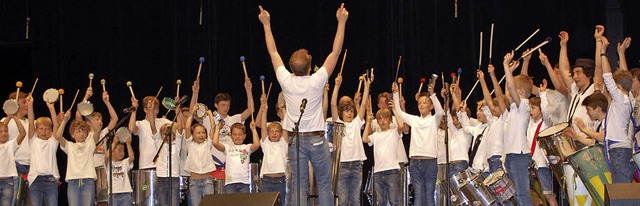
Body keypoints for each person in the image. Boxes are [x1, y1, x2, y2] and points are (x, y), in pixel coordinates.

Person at [258, 3, 348, 206]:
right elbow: (336, 52)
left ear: (291, 68)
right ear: (309, 67)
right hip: (316, 140)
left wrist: (266, 24)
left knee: (299, 186)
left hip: (296, 142)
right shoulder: (317, 81)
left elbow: (273, 52)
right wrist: (341, 22)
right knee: (325, 186)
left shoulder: (286, 81)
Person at [392, 77, 444, 205]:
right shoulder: (414, 119)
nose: (421, 105)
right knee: (418, 196)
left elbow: (440, 112)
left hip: (430, 162)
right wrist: (395, 93)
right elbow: (398, 111)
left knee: (429, 195)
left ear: (431, 106)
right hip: (415, 162)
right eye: (420, 103)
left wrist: (433, 94)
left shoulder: (434, 120)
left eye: (425, 102)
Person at [599, 36, 636, 183]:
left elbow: (607, 77)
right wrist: (621, 53)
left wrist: (603, 53)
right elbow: (626, 77)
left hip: (618, 151)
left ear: (618, 88)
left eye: (615, 87)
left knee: (621, 191)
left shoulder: (621, 100)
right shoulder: (629, 98)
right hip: (621, 149)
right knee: (622, 189)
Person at [330, 74, 370, 206]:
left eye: (351, 111)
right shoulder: (338, 124)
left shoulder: (357, 123)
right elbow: (333, 104)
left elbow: (363, 104)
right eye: (346, 111)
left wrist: (367, 86)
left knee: (355, 200)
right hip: (342, 166)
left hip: (357, 165)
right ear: (342, 113)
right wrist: (336, 86)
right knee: (342, 200)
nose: (349, 113)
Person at [503, 51, 534, 205]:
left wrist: (505, 66)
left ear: (520, 91)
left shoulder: (524, 105)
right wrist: (510, 71)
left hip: (519, 155)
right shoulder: (514, 108)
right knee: (516, 196)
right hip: (511, 155)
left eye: (513, 89)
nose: (510, 92)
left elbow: (511, 89)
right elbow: (506, 92)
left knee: (522, 195)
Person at [363, 103, 405, 205]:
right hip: (378, 172)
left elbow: (401, 126)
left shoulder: (394, 133)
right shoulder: (376, 135)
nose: (382, 121)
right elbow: (364, 139)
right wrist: (368, 122)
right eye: (380, 119)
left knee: (394, 201)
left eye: (385, 118)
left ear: (390, 121)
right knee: (380, 202)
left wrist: (394, 110)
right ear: (377, 122)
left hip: (392, 171)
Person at [55, 111, 100, 206]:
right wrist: (65, 121)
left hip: (88, 180)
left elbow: (97, 130)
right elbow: (58, 136)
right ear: (72, 134)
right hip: (73, 181)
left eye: (84, 131)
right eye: (78, 131)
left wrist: (89, 117)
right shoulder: (69, 146)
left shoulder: (90, 144)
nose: (81, 134)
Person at [27, 94, 60, 205]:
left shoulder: (52, 142)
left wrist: (51, 108)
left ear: (50, 131)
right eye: (41, 129)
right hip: (35, 180)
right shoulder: (33, 141)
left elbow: (56, 125)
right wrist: (30, 105)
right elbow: (31, 123)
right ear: (36, 130)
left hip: (51, 180)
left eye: (47, 129)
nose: (44, 131)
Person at [213, 121, 260, 194]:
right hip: (230, 182)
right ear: (231, 136)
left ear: (244, 136)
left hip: (244, 182)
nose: (237, 136)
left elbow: (257, 145)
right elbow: (215, 143)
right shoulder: (227, 148)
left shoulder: (247, 147)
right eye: (235, 134)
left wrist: (253, 130)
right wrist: (218, 129)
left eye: (240, 134)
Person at [257, 95, 288, 205]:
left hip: (281, 180)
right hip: (266, 180)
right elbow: (263, 128)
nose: (274, 133)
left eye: (277, 131)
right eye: (272, 131)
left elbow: (285, 126)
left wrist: (283, 110)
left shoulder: (284, 144)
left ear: (280, 134)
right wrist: (264, 110)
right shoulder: (266, 144)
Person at [128, 96, 172, 170]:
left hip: (161, 166)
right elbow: (132, 128)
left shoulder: (163, 122)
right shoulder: (141, 124)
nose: (155, 112)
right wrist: (134, 109)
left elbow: (179, 127)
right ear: (145, 110)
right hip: (145, 165)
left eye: (157, 109)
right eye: (153, 109)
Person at [184, 107, 217, 206]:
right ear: (193, 135)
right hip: (194, 181)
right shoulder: (189, 144)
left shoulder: (207, 144)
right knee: (196, 204)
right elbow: (187, 127)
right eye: (198, 133)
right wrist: (192, 112)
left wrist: (210, 115)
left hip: (207, 180)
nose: (201, 135)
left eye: (203, 133)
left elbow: (213, 128)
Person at [155, 113, 185, 206]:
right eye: (165, 133)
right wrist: (151, 111)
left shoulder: (177, 143)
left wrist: (177, 111)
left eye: (170, 133)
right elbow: (152, 128)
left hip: (174, 178)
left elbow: (180, 128)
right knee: (162, 203)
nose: (167, 135)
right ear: (161, 135)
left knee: (174, 203)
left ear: (174, 135)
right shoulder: (159, 142)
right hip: (161, 177)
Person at [0, 113, 27, 205]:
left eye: (5, 131)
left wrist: (14, 117)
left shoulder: (10, 145)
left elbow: (23, 133)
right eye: (0, 131)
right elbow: (2, 124)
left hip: (8, 181)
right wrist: (8, 118)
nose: (4, 133)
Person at [105, 135, 135, 206]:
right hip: (113, 194)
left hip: (126, 192)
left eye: (123, 150)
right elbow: (106, 156)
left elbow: (132, 157)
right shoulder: (108, 164)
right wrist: (114, 143)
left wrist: (128, 144)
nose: (122, 153)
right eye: (119, 150)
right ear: (112, 151)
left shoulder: (124, 162)